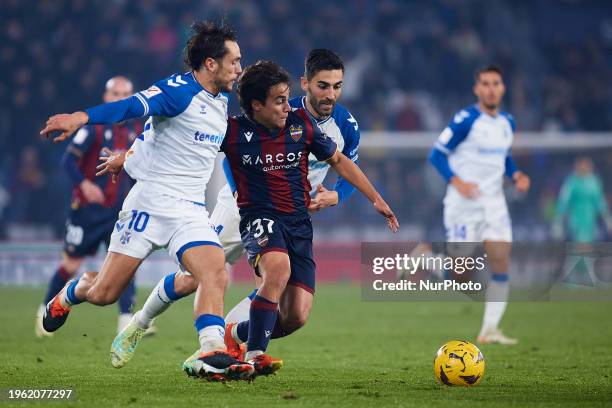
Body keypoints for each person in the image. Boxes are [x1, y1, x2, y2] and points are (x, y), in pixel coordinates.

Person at [108, 49, 362, 372]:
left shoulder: (347, 126)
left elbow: (349, 168)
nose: (330, 94)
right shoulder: (281, 108)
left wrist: (337, 196)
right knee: (192, 278)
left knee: (275, 287)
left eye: (337, 86)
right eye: (323, 85)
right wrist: (242, 192)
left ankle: (227, 342)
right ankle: (139, 323)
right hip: (240, 207)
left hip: (285, 214)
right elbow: (223, 148)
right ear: (306, 84)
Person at [39, 21, 253, 381]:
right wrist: (81, 117)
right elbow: (130, 108)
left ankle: (212, 349)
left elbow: (163, 136)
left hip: (189, 209)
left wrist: (129, 155)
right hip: (148, 203)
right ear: (211, 63)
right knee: (105, 293)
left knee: (215, 270)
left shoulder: (220, 103)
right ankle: (70, 292)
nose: (239, 68)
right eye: (234, 61)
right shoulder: (177, 90)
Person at [219, 60, 397, 375]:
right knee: (275, 269)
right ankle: (253, 354)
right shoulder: (232, 130)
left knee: (296, 315)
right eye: (279, 101)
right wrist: (131, 158)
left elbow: (340, 161)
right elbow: (185, 143)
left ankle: (234, 334)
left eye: (287, 98)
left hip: (298, 222)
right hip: (258, 215)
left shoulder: (302, 127)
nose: (288, 107)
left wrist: (376, 198)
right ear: (257, 105)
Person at [35, 76, 148, 338]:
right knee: (71, 264)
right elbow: (67, 162)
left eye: (126, 94)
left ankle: (126, 319)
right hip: (87, 211)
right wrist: (85, 185)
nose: (120, 98)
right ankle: (46, 308)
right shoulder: (92, 129)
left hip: (118, 211)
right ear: (106, 97)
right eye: (115, 93)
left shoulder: (137, 131)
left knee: (125, 263)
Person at [429, 65, 530, 345]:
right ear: (477, 89)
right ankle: (426, 259)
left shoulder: (507, 122)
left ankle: (489, 330)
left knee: (500, 262)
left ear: (502, 88)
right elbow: (437, 155)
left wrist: (516, 175)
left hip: (494, 205)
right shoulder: (465, 120)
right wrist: (457, 181)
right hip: (463, 204)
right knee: (461, 275)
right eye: (485, 84)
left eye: (495, 83)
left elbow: (505, 158)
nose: (491, 88)